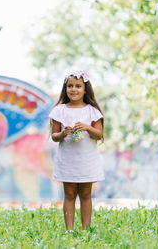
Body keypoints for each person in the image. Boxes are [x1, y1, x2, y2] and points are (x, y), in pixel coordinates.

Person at [49, 70, 104, 231]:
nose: (74, 89)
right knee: (70, 194)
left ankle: (86, 230)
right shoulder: (59, 110)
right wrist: (62, 133)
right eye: (70, 86)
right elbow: (54, 136)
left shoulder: (92, 111)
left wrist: (87, 127)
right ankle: (69, 231)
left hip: (86, 159)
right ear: (65, 89)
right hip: (68, 160)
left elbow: (99, 134)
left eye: (78, 86)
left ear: (85, 89)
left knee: (86, 194)